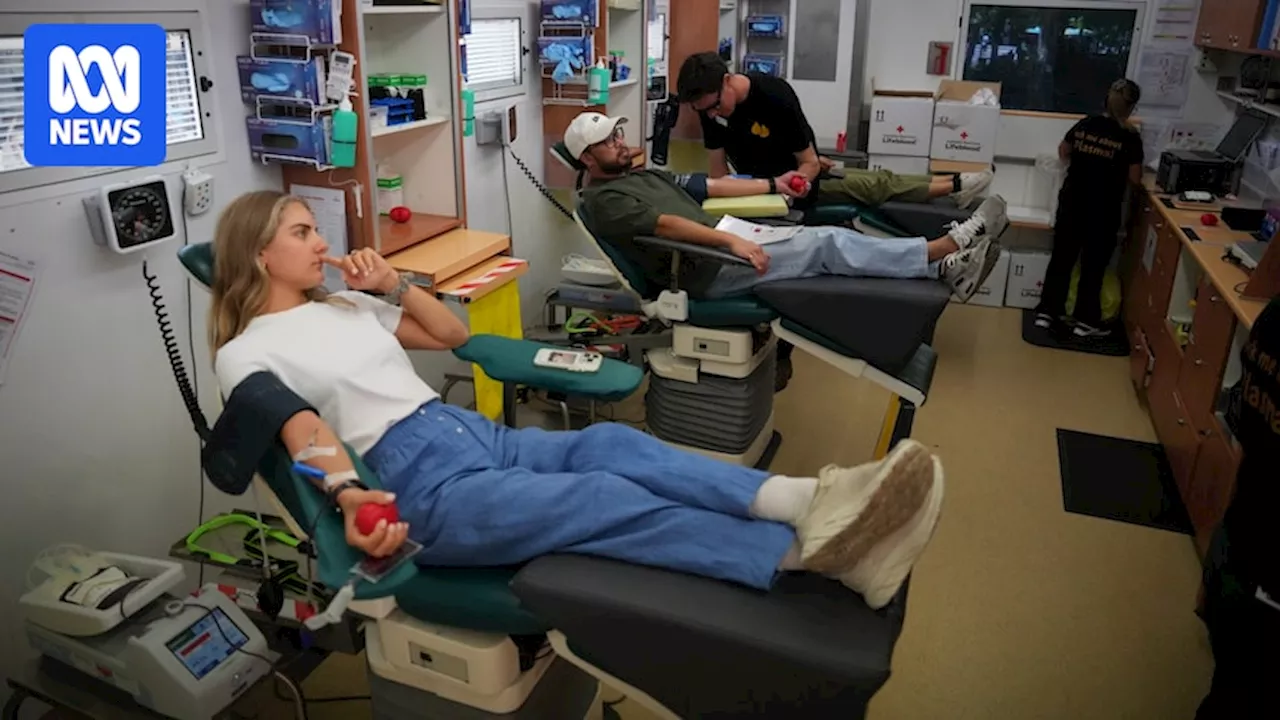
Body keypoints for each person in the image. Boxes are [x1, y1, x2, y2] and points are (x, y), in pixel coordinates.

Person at [208, 190, 948, 611]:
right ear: (258, 253)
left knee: (613, 446)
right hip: (418, 481)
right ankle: (810, 555)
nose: (319, 241)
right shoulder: (245, 352)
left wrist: (390, 285)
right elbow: (300, 426)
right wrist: (348, 496)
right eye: (303, 232)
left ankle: (805, 500)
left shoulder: (343, 307)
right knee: (597, 494)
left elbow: (452, 332)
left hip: (467, 434)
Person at [568, 111, 1008, 304]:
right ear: (587, 159)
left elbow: (708, 185)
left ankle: (943, 269)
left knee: (825, 241)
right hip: (706, 267)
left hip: (727, 241)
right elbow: (664, 225)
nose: (620, 143)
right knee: (829, 243)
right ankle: (940, 249)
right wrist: (729, 241)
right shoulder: (604, 201)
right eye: (607, 141)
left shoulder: (639, 174)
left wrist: (772, 185)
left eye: (617, 135)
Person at [676, 52, 993, 210]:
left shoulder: (775, 96)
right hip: (763, 188)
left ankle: (955, 186)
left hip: (798, 179)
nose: (713, 114)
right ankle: (956, 185)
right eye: (705, 111)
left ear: (728, 80)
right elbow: (717, 173)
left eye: (716, 105)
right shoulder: (708, 108)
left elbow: (809, 163)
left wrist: (798, 181)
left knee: (874, 183)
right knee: (873, 182)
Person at [1195, 297, 1280, 718]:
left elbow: (1243, 422)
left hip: (1240, 549)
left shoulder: (1274, 318)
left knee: (1228, 691)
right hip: (1269, 583)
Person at [1034, 79, 1145, 339]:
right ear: (1131, 108)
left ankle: (1047, 313)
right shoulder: (1129, 138)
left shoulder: (1086, 123)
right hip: (1102, 210)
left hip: (1072, 202)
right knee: (1092, 266)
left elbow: (1063, 151)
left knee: (1062, 259)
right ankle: (1085, 321)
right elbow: (1135, 179)